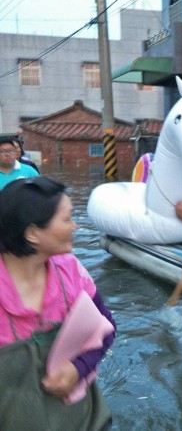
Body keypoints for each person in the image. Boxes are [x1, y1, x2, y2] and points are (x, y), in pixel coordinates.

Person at [0, 176, 116, 429]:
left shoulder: (71, 271)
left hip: (80, 419)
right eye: (67, 219)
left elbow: (106, 325)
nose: (75, 226)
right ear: (32, 233)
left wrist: (79, 367)